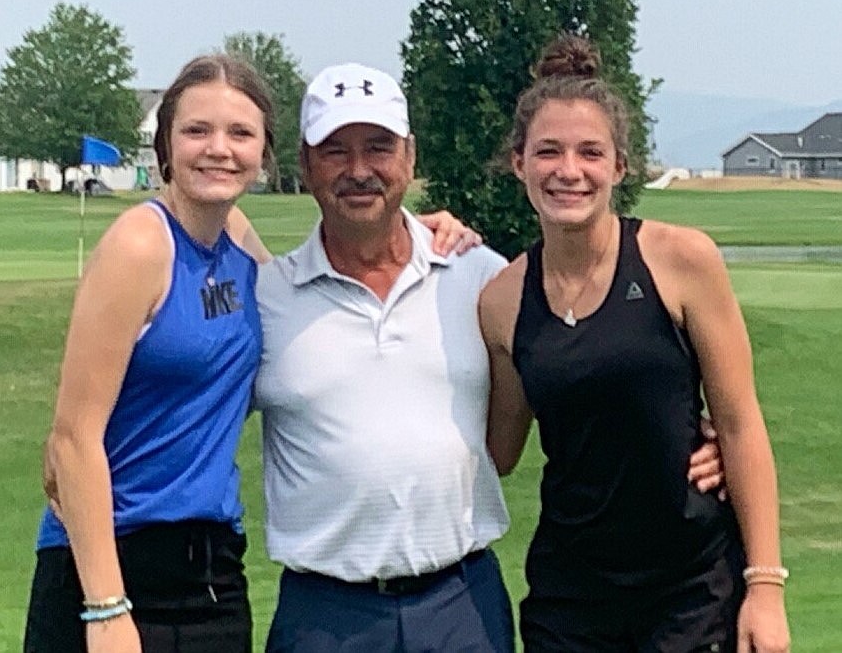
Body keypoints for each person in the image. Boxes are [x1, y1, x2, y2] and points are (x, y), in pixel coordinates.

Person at [253, 62, 725, 653]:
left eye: (379, 147)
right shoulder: (267, 296)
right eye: (334, 151)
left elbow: (573, 389)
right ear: (304, 164)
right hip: (322, 614)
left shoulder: (477, 276)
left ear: (409, 157)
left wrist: (699, 439)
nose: (358, 170)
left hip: (460, 603)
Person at [25, 54, 472, 653]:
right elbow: (70, 442)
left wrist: (423, 231)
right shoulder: (139, 243)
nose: (219, 149)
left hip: (210, 571)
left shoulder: (238, 243)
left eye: (240, 133)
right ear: (166, 145)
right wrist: (106, 609)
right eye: (197, 131)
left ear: (265, 153)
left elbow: (324, 286)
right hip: (111, 565)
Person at [479, 33, 790, 652]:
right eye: (548, 152)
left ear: (619, 166)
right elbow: (500, 451)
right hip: (570, 599)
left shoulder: (681, 259)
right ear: (518, 163)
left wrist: (765, 589)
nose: (569, 171)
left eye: (590, 152)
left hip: (691, 589)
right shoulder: (501, 299)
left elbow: (737, 421)